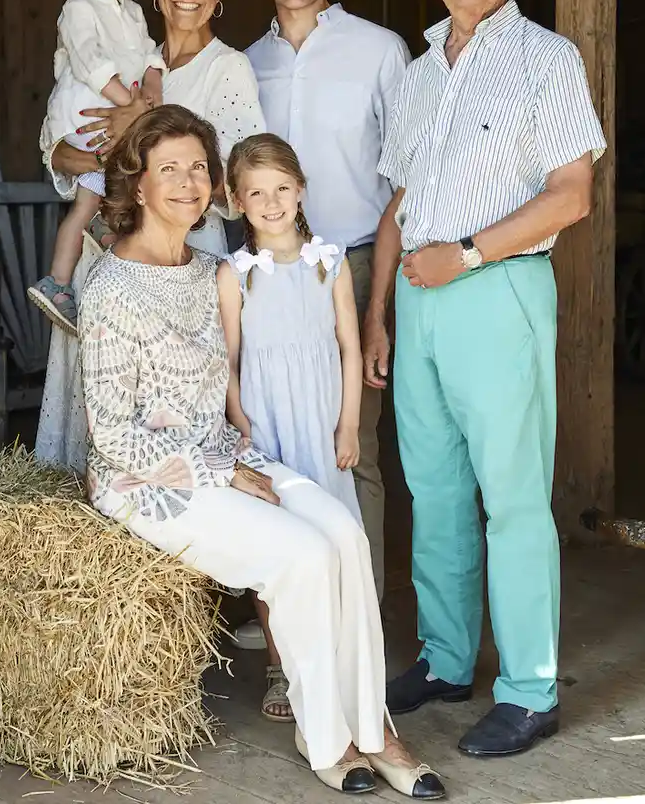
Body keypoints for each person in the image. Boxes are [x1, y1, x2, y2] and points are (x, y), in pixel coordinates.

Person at [79, 104, 445, 801]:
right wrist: (220, 470)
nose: (187, 182)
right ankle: (327, 737)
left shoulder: (209, 269)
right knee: (301, 555)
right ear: (138, 184)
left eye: (198, 167)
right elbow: (113, 435)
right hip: (148, 483)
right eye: (168, 169)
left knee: (346, 536)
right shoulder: (110, 287)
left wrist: (236, 456)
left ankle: (376, 730)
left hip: (226, 454)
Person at [363, 0, 607, 758]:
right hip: (418, 302)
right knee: (433, 493)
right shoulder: (420, 72)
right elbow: (398, 204)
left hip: (496, 290)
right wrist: (379, 313)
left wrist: (464, 255)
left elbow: (572, 195)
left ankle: (531, 691)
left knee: (511, 498)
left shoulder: (547, 58)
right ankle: (445, 660)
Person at [34, 0, 264, 473]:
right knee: (98, 403)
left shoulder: (228, 67)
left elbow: (239, 182)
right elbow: (55, 149)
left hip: (185, 258)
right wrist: (101, 154)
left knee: (170, 406)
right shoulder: (127, 61)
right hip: (105, 256)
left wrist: (147, 143)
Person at [240, 0, 410, 617]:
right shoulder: (246, 64)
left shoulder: (380, 50)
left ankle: (359, 611)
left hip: (358, 263)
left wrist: (379, 307)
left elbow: (407, 177)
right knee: (272, 437)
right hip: (267, 270)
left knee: (353, 441)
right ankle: (290, 612)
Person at [217, 133, 363, 721]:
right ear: (237, 201)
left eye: (281, 188)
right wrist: (241, 424)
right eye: (256, 193)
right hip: (268, 431)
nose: (271, 202)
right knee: (277, 550)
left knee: (332, 541)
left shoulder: (330, 262)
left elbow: (350, 348)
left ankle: (336, 664)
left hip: (321, 426)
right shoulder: (235, 274)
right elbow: (228, 361)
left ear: (300, 189)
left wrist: (349, 425)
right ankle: (281, 671)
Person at [28, 0, 166, 335]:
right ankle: (62, 277)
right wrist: (131, 106)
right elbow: (91, 63)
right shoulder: (78, 8)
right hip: (89, 116)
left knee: (109, 188)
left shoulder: (133, 11)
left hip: (119, 117)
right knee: (109, 187)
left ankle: (98, 239)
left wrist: (152, 84)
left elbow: (149, 55)